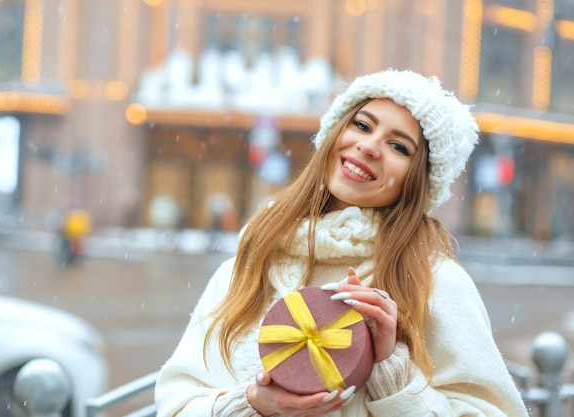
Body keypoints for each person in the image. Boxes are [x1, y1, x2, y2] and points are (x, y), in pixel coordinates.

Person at [154, 69, 529, 416]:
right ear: (334, 134)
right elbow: (176, 404)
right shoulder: (255, 261)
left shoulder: (434, 281)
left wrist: (392, 372)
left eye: (399, 147)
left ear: (419, 181)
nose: (369, 146)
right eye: (362, 125)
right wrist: (252, 404)